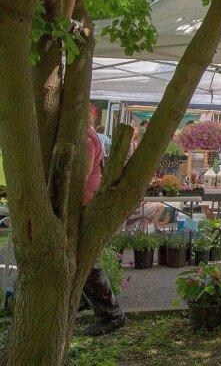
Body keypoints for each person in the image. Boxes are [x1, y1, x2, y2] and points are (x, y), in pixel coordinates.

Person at [81, 106, 125, 336]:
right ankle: (109, 314)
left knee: (88, 262)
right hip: (84, 203)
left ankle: (111, 314)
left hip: (84, 204)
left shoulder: (87, 138)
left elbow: (83, 175)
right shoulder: (87, 135)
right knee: (87, 262)